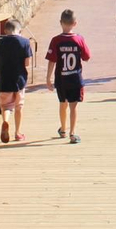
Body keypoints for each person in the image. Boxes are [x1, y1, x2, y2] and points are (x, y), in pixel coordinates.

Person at [45, 9, 91, 143]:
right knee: (73, 106)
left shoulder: (56, 40)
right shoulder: (79, 39)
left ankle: (63, 129)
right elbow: (87, 57)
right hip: (75, 78)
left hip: (61, 78)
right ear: (75, 23)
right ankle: (72, 132)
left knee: (62, 103)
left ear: (60, 23)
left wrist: (48, 78)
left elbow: (52, 60)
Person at [0, 19, 34, 142]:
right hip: (19, 79)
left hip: (4, 79)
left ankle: (5, 121)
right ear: (19, 31)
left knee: (6, 106)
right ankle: (18, 133)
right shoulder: (25, 42)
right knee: (19, 106)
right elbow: (27, 63)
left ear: (5, 31)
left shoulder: (1, 42)